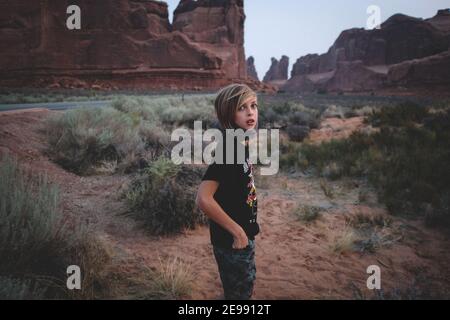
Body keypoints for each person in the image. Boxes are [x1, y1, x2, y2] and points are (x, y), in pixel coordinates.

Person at [196, 83, 260, 300]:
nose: (250, 112)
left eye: (253, 105)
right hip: (233, 242)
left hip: (241, 238)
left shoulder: (239, 143)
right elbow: (204, 199)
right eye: (242, 107)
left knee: (241, 291)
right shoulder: (229, 148)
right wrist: (238, 232)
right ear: (228, 113)